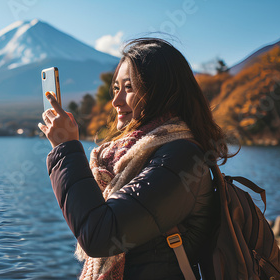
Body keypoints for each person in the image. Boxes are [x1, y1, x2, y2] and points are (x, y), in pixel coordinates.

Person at [38, 38, 234, 279]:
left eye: (129, 88)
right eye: (116, 88)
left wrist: (66, 150)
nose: (116, 101)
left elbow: (100, 236)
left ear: (161, 91)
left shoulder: (181, 157)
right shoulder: (133, 155)